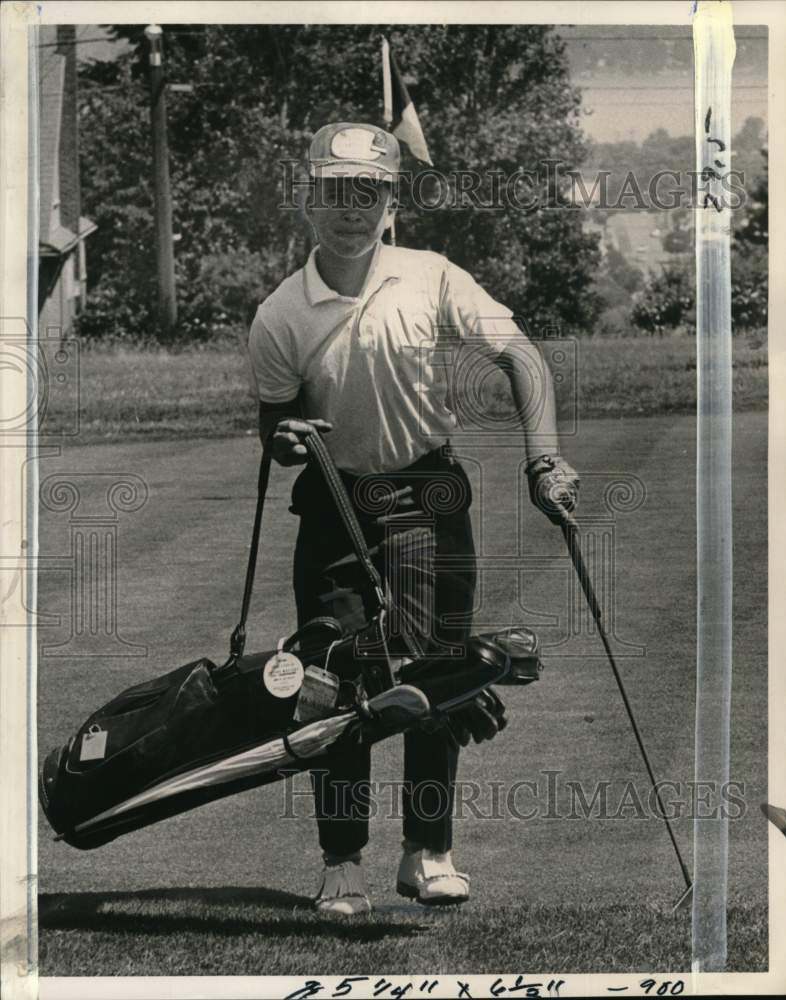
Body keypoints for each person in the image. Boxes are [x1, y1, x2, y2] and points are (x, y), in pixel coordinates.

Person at [247, 122, 578, 916]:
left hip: (429, 491)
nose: (351, 209)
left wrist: (542, 459)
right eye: (334, 191)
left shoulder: (432, 277)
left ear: (392, 202)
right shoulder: (280, 314)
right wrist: (286, 439)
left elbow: (521, 356)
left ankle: (427, 854)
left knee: (440, 676)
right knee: (331, 683)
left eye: (368, 192)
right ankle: (342, 863)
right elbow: (277, 431)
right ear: (307, 201)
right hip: (335, 501)